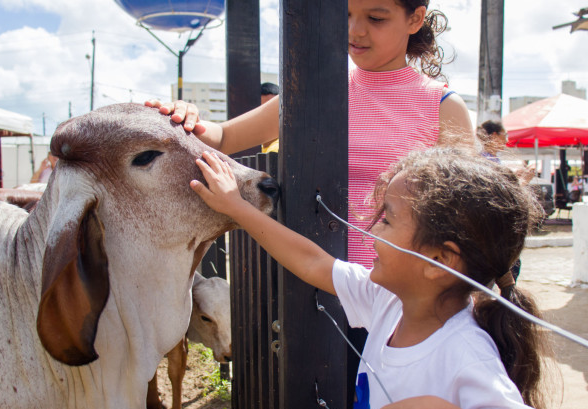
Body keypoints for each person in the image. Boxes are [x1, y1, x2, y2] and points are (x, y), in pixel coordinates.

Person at [190, 147, 557, 409]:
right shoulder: (390, 302)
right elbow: (312, 262)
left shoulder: (464, 350)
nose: (372, 231)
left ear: (441, 261)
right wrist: (237, 208)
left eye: (388, 221)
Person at [148, 0, 474, 269]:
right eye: (344, 14)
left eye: (375, 18)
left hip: (403, 296)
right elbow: (224, 138)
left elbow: (465, 221)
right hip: (314, 292)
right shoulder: (313, 93)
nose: (354, 30)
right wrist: (181, 118)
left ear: (415, 18)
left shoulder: (444, 107)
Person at [477, 120, 535, 184]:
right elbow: (498, 190)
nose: (506, 140)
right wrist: (523, 181)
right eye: (505, 135)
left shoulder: (488, 158)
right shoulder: (487, 161)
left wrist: (513, 176)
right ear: (494, 136)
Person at [260, 82, 280, 153]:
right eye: (261, 110)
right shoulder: (257, 148)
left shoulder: (277, 149)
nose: (267, 116)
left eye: (272, 110)